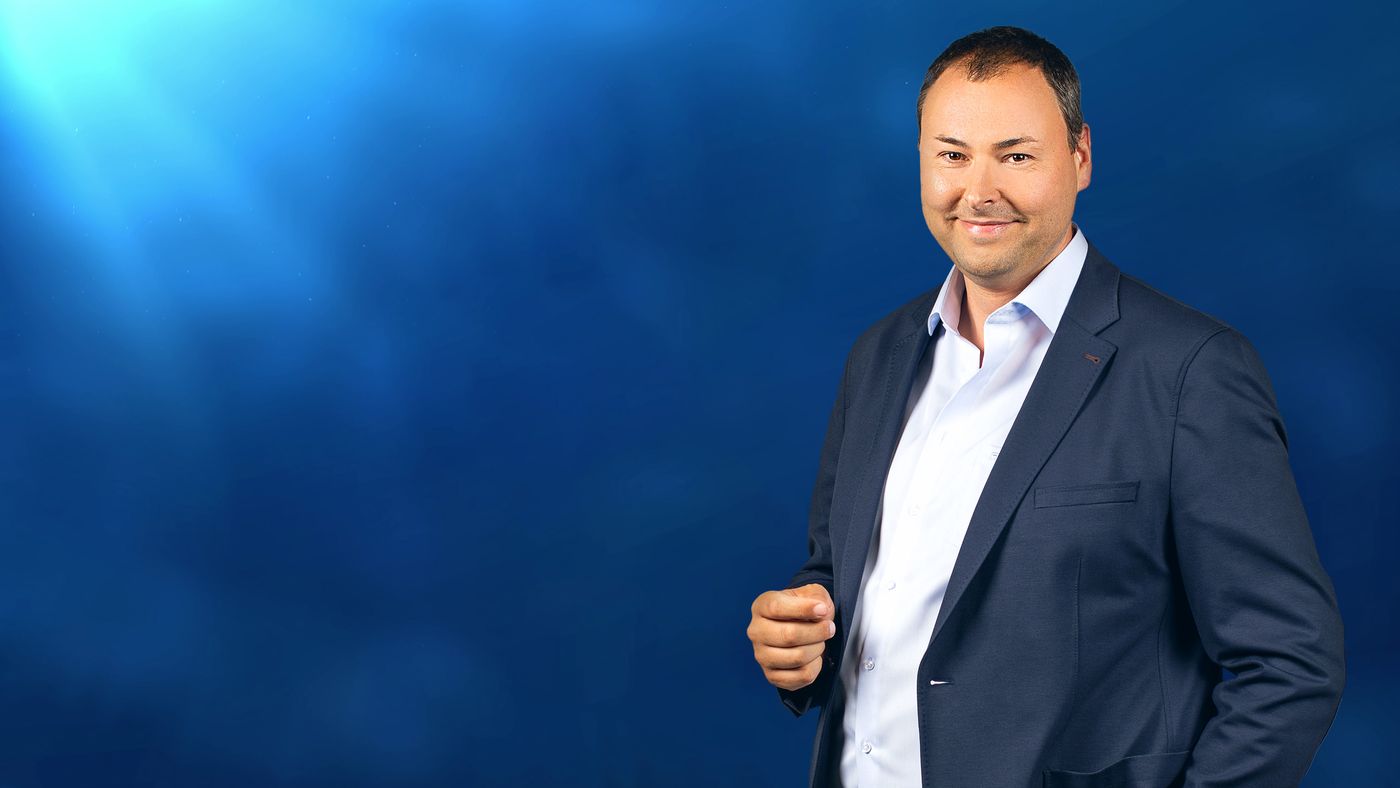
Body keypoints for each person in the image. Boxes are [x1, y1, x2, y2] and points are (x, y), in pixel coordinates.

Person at [745, 25, 1345, 788]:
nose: (978, 190)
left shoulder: (1188, 370)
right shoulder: (879, 356)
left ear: (1080, 157)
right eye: (952, 155)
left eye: (1016, 156)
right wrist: (799, 637)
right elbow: (842, 579)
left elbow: (1291, 662)